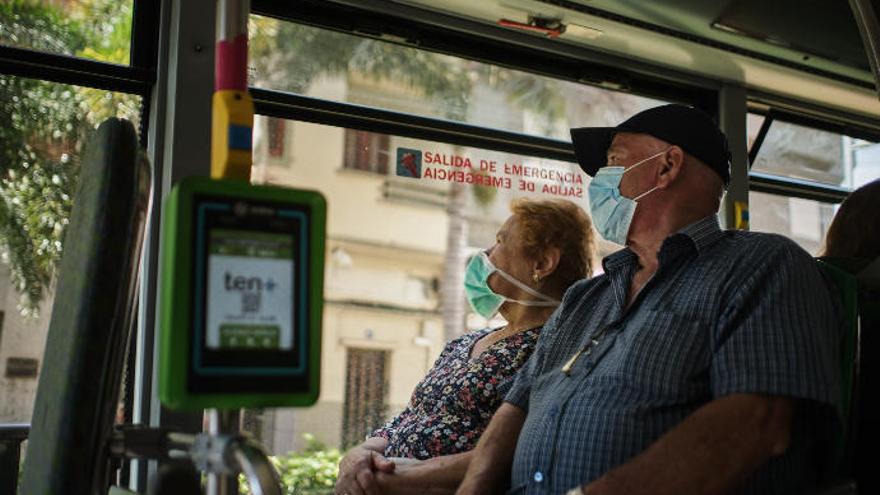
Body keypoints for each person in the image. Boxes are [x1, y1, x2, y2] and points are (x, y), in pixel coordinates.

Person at [457, 104, 842, 495]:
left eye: (613, 162)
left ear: (667, 167)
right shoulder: (584, 298)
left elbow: (756, 421)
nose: (599, 180)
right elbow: (516, 409)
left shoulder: (760, 266)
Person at [336, 198, 596, 495]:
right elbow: (410, 417)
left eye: (500, 241)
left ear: (542, 264)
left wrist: (402, 478)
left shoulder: (555, 352)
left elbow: (522, 452)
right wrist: (359, 454)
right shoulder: (464, 343)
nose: (485, 254)